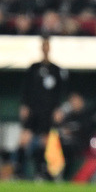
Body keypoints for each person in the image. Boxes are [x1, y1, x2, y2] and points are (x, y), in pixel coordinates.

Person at [17, 34, 68, 179]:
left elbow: (60, 92)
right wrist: (24, 106)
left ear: (49, 48)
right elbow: (26, 89)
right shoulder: (33, 68)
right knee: (24, 139)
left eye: (47, 45)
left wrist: (59, 109)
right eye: (43, 45)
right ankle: (19, 170)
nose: (45, 48)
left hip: (48, 111)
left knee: (45, 141)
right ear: (41, 48)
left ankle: (42, 171)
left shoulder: (56, 70)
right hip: (33, 109)